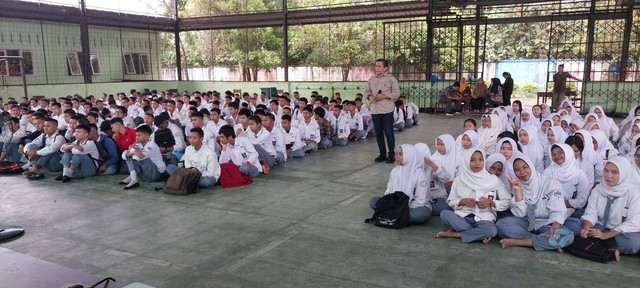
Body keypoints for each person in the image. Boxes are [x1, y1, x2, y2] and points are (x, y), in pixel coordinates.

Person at [563, 157, 640, 260]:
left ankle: (596, 242)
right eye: (606, 171)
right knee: (569, 224)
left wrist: (605, 235)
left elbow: (633, 223)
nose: (608, 176)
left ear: (623, 174)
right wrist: (586, 228)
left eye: (615, 172)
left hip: (618, 233)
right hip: (597, 227)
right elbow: (591, 212)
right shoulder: (599, 189)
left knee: (633, 243)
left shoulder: (634, 194)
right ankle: (606, 246)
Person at [496, 155, 575, 251]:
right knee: (501, 225)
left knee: (567, 236)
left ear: (531, 167)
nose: (522, 172)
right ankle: (546, 242)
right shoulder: (518, 185)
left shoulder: (550, 183)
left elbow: (558, 207)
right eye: (517, 170)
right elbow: (520, 214)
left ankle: (518, 242)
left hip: (548, 223)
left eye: (525, 167)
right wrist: (518, 191)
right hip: (528, 222)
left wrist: (555, 226)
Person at [435, 149, 511, 243]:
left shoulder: (493, 180)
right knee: (444, 214)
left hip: (484, 218)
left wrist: (491, 203)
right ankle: (478, 234)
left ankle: (455, 234)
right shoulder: (459, 180)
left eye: (480, 160)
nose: (477, 163)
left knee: (492, 230)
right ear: (467, 161)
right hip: (462, 217)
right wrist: (462, 201)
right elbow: (450, 201)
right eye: (472, 160)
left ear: (484, 161)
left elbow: (507, 201)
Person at [368, 144, 431, 224]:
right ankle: (398, 217)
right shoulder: (395, 171)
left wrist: (400, 208)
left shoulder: (419, 174)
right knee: (373, 201)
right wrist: (391, 204)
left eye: (400, 154)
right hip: (396, 205)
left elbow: (420, 201)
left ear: (409, 156)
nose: (397, 157)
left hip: (414, 207)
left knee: (421, 215)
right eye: (396, 154)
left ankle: (391, 215)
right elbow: (388, 192)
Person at [365, 58, 400, 163]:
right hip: (375, 110)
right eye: (376, 66)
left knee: (389, 133)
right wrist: (369, 97)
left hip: (387, 111)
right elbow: (367, 91)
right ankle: (382, 154)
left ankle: (391, 155)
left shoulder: (391, 79)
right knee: (378, 134)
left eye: (379, 66)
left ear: (385, 68)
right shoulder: (371, 79)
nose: (377, 68)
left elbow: (397, 93)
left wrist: (385, 95)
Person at [543, 143, 590, 218]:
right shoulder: (548, 172)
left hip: (572, 210)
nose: (557, 156)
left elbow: (581, 201)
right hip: (550, 208)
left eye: (560, 153)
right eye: (553, 154)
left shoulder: (580, 175)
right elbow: (543, 193)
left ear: (568, 153)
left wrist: (561, 205)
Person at [120, 125, 166, 190]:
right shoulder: (139, 144)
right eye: (136, 135)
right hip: (144, 176)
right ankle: (133, 179)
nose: (136, 138)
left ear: (147, 137)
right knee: (129, 156)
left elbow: (140, 156)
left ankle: (133, 177)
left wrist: (132, 151)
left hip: (154, 175)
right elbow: (124, 156)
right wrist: (130, 149)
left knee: (140, 158)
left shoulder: (152, 145)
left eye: (139, 135)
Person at [416, 142, 452, 216]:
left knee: (442, 206)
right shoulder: (411, 166)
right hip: (418, 198)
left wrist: (432, 165)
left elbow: (446, 178)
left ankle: (423, 210)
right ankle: (422, 210)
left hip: (435, 197)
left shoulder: (435, 164)